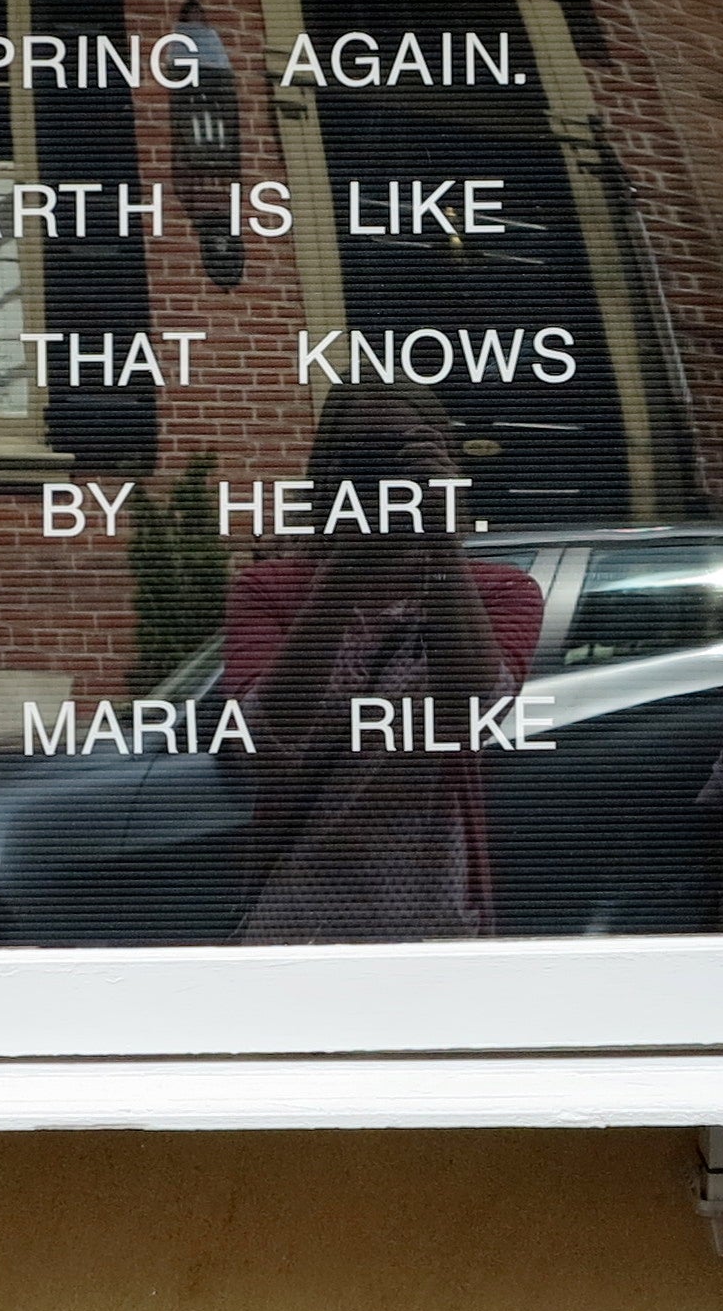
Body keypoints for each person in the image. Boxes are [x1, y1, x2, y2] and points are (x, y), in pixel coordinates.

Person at [223, 382, 545, 940]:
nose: (384, 481)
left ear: (441, 463)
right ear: (329, 474)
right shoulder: (271, 589)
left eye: (404, 456)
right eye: (365, 460)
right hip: (299, 914)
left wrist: (440, 540)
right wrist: (346, 562)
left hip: (430, 913)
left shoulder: (499, 592)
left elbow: (477, 711)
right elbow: (262, 741)